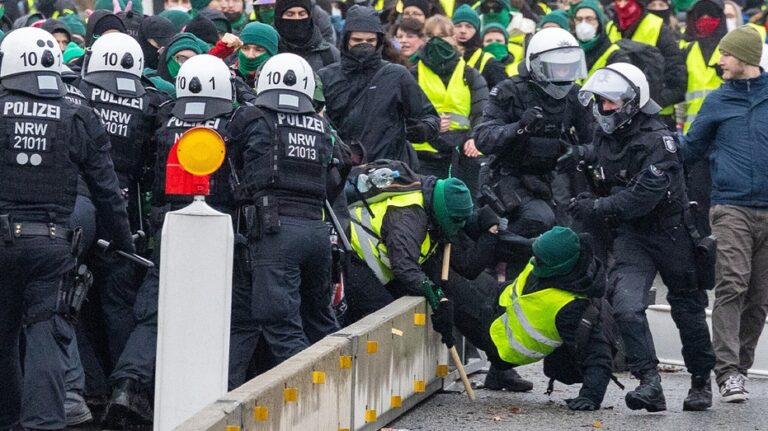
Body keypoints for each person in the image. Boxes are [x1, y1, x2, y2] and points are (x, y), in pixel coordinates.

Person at [0, 26, 134, 431]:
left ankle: (7, 419)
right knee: (45, 335)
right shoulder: (79, 114)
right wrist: (123, 245)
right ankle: (43, 423)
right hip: (54, 244)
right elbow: (108, 193)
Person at [102, 54, 241, 426]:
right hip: (220, 229)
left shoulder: (165, 121)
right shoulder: (233, 123)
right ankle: (218, 395)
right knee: (225, 313)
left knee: (154, 310)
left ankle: (128, 387)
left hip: (171, 228)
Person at [567, 62, 715, 412]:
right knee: (627, 307)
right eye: (599, 102)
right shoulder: (606, 133)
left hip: (672, 231)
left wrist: (597, 206)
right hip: (633, 235)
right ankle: (649, 382)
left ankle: (700, 381)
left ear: (632, 103)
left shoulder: (657, 140)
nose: (603, 110)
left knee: (688, 309)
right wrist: (577, 155)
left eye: (611, 103)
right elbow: (604, 161)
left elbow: (640, 197)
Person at [229, 53, 350, 370]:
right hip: (316, 231)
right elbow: (341, 166)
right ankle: (344, 381)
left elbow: (227, 152)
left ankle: (316, 394)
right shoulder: (321, 126)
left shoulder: (252, 116)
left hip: (275, 231)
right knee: (319, 318)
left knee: (280, 324)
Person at [682, 25, 768, 404]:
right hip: (731, 206)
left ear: (746, 58)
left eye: (726, 55)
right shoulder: (717, 101)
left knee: (760, 297)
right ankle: (727, 372)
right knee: (732, 283)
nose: (719, 61)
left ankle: (741, 369)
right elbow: (688, 150)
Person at [447, 226, 613, 410]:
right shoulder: (553, 256)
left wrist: (591, 396)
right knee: (459, 268)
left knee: (446, 278)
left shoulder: (572, 307)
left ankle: (500, 370)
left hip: (498, 342)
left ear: (558, 266)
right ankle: (498, 376)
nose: (533, 261)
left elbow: (599, 355)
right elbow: (514, 245)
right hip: (496, 303)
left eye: (539, 259)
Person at [78, 32, 169, 365]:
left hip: (77, 202)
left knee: (68, 297)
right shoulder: (150, 100)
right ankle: (121, 380)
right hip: (122, 208)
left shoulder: (80, 91)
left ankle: (89, 384)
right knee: (118, 299)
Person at [475, 27, 592, 252]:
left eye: (569, 66)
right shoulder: (509, 90)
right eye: (556, 67)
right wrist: (518, 127)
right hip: (507, 176)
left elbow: (597, 140)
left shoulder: (576, 95)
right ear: (537, 65)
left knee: (570, 233)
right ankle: (487, 250)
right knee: (539, 218)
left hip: (550, 179)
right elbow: (483, 137)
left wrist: (579, 152)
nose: (564, 73)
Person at [319, 6, 439, 167]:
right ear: (346, 40)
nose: (364, 45)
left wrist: (420, 130)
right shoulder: (326, 76)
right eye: (357, 40)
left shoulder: (397, 75)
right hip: (341, 171)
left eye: (370, 41)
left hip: (389, 171)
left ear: (379, 42)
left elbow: (430, 118)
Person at [411, 15, 488, 194]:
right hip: (424, 151)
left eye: (442, 36)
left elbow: (482, 110)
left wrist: (473, 137)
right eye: (431, 36)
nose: (436, 41)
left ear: (453, 39)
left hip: (461, 151)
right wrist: (429, 125)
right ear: (424, 40)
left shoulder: (469, 74)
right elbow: (405, 113)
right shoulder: (413, 74)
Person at [605, 0, 686, 127]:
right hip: (617, 113)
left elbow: (676, 74)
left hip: (656, 115)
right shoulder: (610, 27)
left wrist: (654, 100)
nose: (622, 5)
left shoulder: (657, 26)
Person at [572, 0, 631, 81]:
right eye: (579, 19)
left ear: (599, 22)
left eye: (589, 19)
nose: (583, 24)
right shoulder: (570, 49)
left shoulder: (615, 54)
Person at [452, 4, 508, 89]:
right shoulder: (445, 57)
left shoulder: (490, 63)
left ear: (477, 30)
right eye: (458, 26)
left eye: (469, 26)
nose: (463, 31)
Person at [274, 0, 340, 71]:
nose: (297, 18)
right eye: (290, 14)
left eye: (302, 14)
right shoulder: (269, 50)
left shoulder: (330, 54)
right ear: (279, 17)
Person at [233, 21, 279, 87]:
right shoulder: (226, 75)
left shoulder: (278, 83)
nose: (250, 55)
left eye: (258, 50)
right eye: (245, 48)